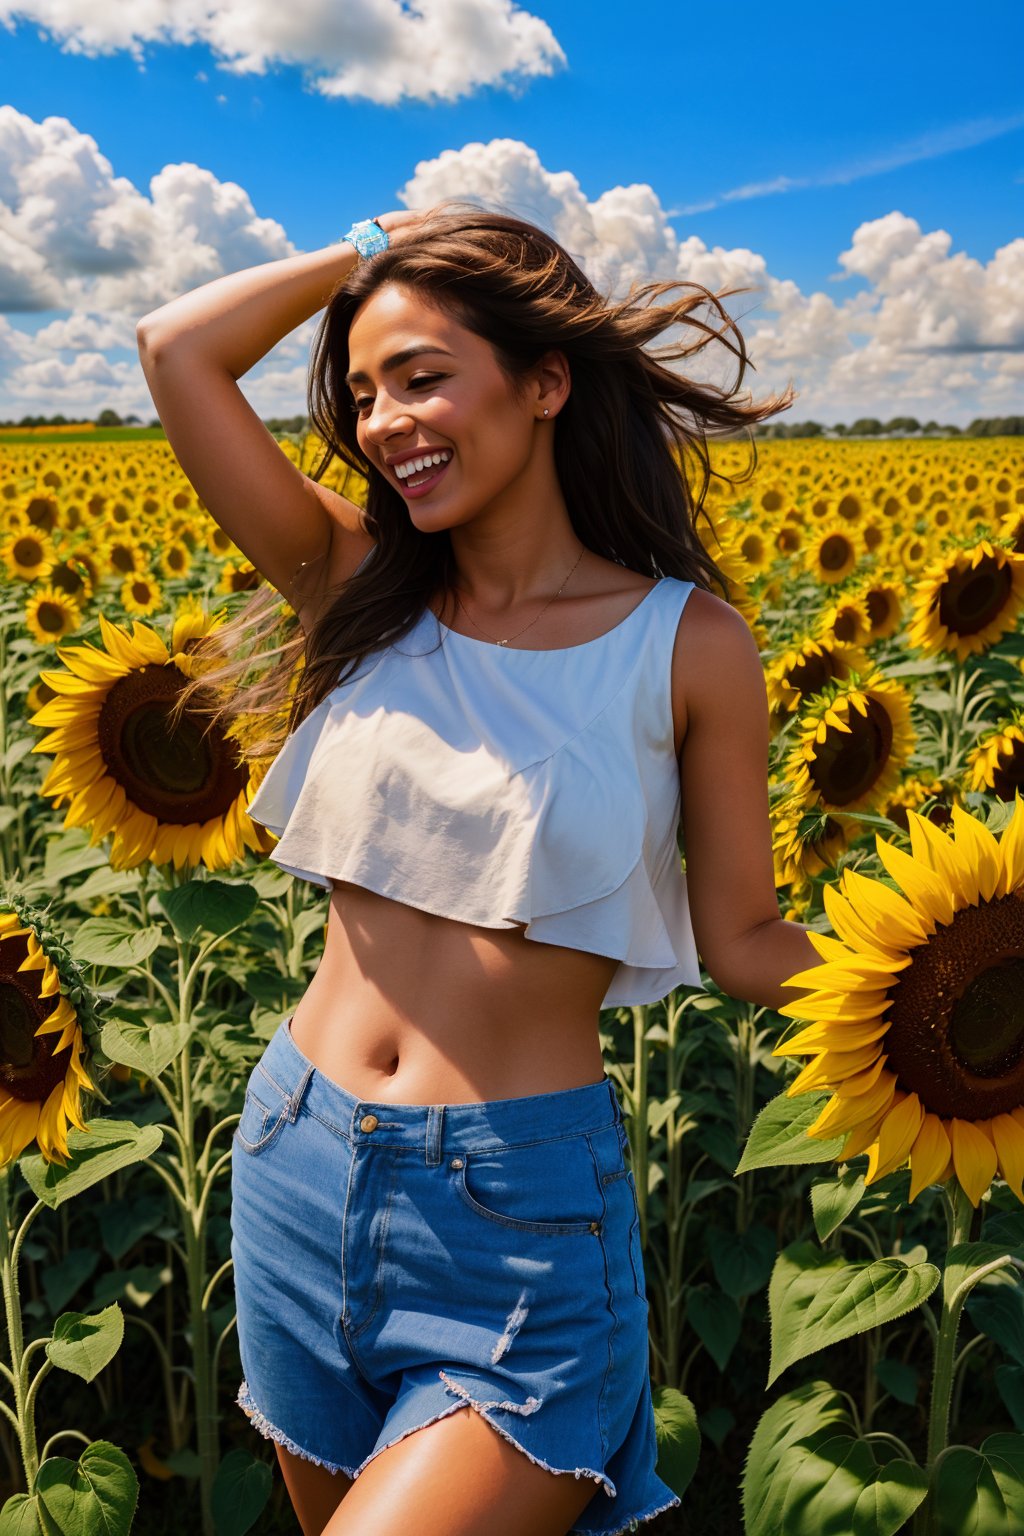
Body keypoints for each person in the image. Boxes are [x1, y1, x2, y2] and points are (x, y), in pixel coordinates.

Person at [136, 201, 817, 1536]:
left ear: (546, 379)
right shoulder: (358, 582)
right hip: (294, 1160)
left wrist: (949, 960)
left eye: (426, 376)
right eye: (366, 392)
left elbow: (746, 941)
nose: (386, 422)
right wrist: (368, 253)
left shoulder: (689, 645)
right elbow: (175, 351)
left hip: (515, 1220)